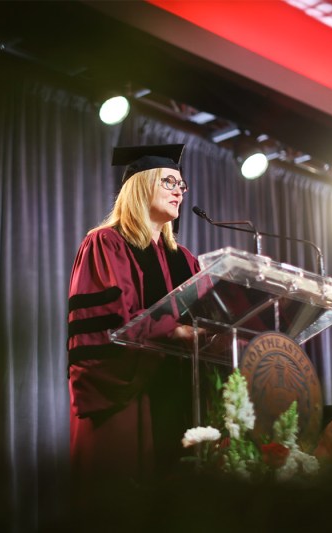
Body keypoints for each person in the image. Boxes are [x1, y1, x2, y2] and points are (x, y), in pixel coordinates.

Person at [66, 144, 200, 507]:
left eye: (182, 185)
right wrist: (176, 332)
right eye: (169, 181)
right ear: (141, 186)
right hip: (129, 396)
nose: (178, 191)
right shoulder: (106, 243)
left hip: (182, 403)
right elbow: (109, 325)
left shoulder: (186, 260)